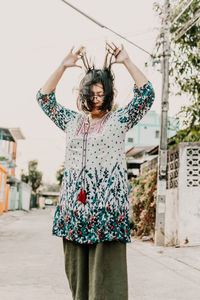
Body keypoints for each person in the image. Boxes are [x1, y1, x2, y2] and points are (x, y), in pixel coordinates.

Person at [36, 42, 155, 300]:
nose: (96, 98)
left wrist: (126, 61)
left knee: (107, 287)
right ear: (83, 94)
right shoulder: (71, 121)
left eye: (101, 93)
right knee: (78, 285)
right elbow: (44, 98)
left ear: (109, 94)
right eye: (91, 93)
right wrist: (63, 66)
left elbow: (146, 95)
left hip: (107, 215)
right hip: (74, 213)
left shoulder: (119, 120)